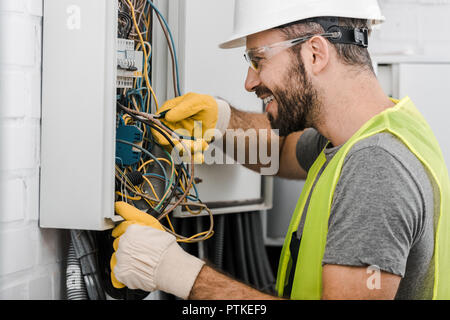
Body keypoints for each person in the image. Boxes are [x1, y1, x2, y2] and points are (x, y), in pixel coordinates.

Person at [110, 0, 450, 300]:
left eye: (259, 59)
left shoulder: (375, 167)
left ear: (315, 53)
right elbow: (280, 152)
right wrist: (222, 120)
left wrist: (175, 271)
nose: (249, 81)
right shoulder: (367, 132)